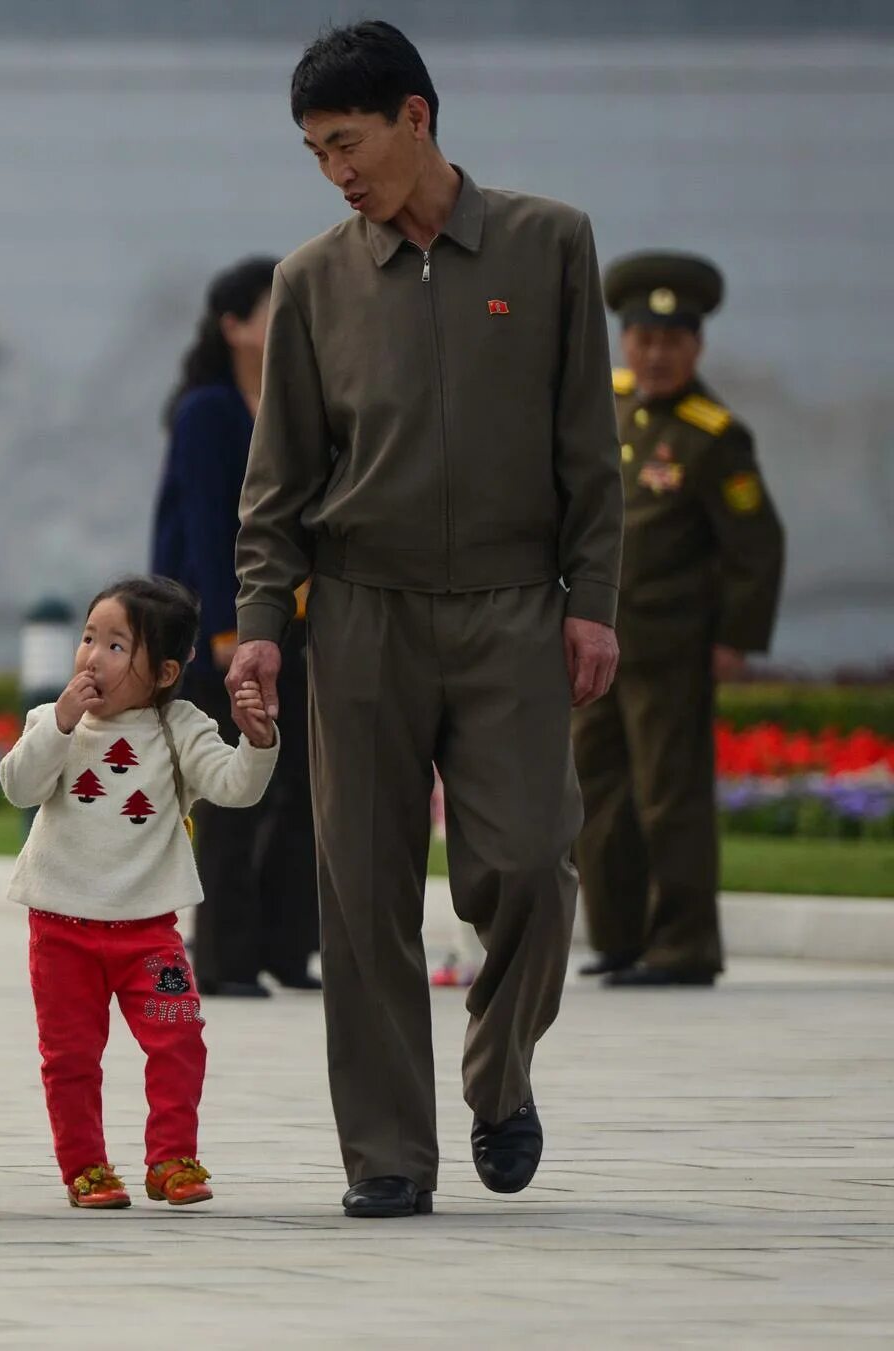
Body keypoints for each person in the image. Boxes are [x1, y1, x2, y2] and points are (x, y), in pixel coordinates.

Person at [231, 21, 623, 1219]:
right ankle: (389, 1156)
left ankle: (499, 1079)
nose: (336, 171)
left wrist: (591, 601)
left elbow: (589, 453)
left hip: (514, 609)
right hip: (360, 616)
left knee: (530, 868)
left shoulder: (550, 243)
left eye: (346, 142)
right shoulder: (310, 281)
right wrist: (259, 620)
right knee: (363, 896)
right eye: (314, 153)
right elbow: (279, 478)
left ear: (416, 117)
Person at [0, 577, 278, 1210]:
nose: (92, 656)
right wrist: (62, 723)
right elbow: (18, 785)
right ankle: (86, 1168)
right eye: (89, 638)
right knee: (70, 1056)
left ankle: (172, 1158)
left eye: (117, 646)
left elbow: (234, 787)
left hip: (149, 932)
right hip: (60, 927)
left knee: (179, 1039)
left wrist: (257, 743)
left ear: (164, 671)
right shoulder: (53, 721)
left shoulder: (179, 727)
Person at [576, 253, 785, 988]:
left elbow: (758, 548)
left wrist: (735, 637)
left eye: (671, 341)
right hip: (591, 641)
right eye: (642, 337)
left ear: (696, 346)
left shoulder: (713, 435)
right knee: (597, 792)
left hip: (671, 647)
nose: (655, 354)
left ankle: (685, 944)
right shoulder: (602, 405)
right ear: (624, 339)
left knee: (669, 795)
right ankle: (619, 934)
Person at [151, 256, 319, 997]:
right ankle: (222, 955)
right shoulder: (208, 412)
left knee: (301, 792)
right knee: (227, 795)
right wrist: (221, 630)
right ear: (233, 326)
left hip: (301, 625)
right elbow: (205, 529)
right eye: (271, 309)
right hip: (225, 633)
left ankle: (290, 948)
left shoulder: (297, 405)